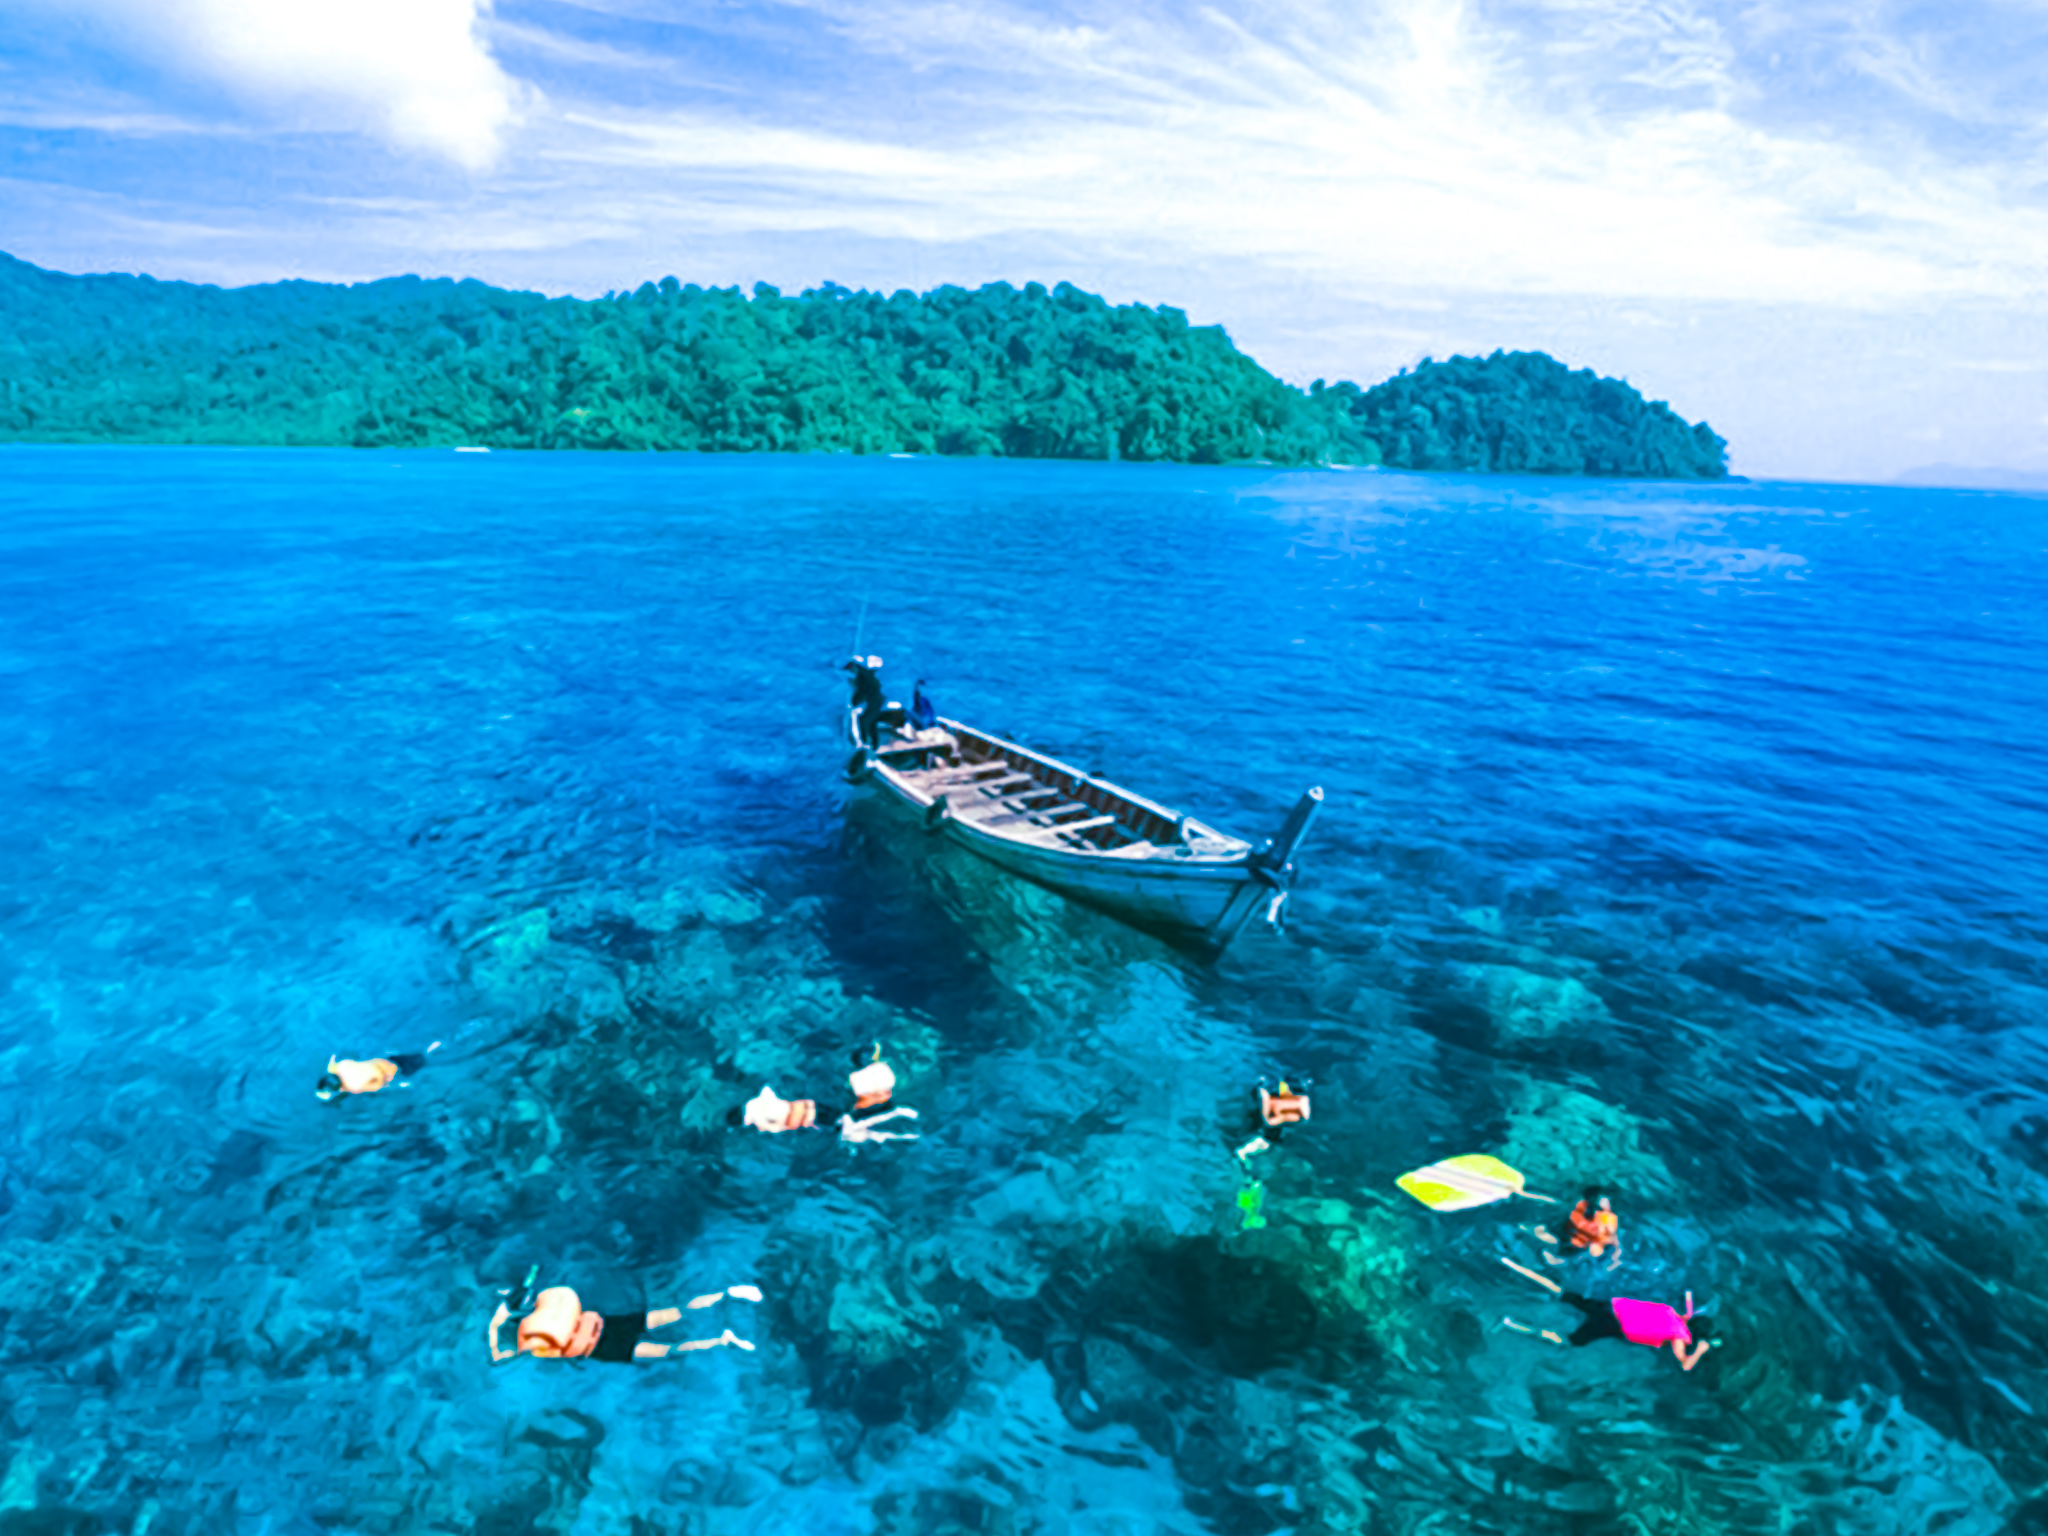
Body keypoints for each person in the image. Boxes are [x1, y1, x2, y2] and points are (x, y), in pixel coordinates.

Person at [1498, 1257, 1712, 1371]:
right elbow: (1684, 1364)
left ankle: (1512, 1265)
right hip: (1611, 1326)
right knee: (1567, 1340)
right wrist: (1700, 1351)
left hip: (1610, 1308)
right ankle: (1512, 1324)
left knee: (1562, 1293)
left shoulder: (1672, 1313)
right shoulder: (1678, 1338)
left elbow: (1682, 1319)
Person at [489, 1282, 761, 1364]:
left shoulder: (533, 1342)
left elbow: (497, 1357)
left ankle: (722, 1339)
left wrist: (495, 1323)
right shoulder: (542, 1312)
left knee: (669, 1350)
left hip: (605, 1346)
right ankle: (726, 1297)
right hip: (608, 1326)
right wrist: (502, 1313)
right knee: (676, 1314)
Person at [317, 1041, 441, 1100]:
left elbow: (378, 1085)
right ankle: (429, 1048)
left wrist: (397, 1085)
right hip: (384, 1060)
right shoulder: (339, 1066)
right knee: (404, 1057)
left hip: (394, 1071)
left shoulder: (354, 1086)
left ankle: (429, 1052)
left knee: (421, 1062)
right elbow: (332, 1059)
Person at [1537, 1189, 1623, 1268]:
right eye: (1596, 1200)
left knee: (1591, 1250)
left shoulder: (1608, 1219)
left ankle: (1562, 1260)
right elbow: (1571, 1219)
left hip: (1587, 1245)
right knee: (1557, 1236)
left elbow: (1609, 1238)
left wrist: (1614, 1252)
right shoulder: (1583, 1206)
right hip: (1572, 1235)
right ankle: (1555, 1255)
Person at [1235, 1077, 1312, 1163]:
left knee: (1266, 1141)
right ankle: (1242, 1152)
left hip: (1270, 1115)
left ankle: (1244, 1152)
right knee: (1266, 1141)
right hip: (1271, 1118)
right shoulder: (1301, 1100)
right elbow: (1306, 1117)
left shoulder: (1282, 1094)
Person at [844, 655, 886, 748]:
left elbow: (863, 691)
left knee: (866, 720)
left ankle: (868, 743)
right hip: (875, 699)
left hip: (874, 700)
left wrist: (855, 701)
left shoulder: (862, 676)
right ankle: (872, 744)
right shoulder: (863, 673)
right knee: (870, 721)